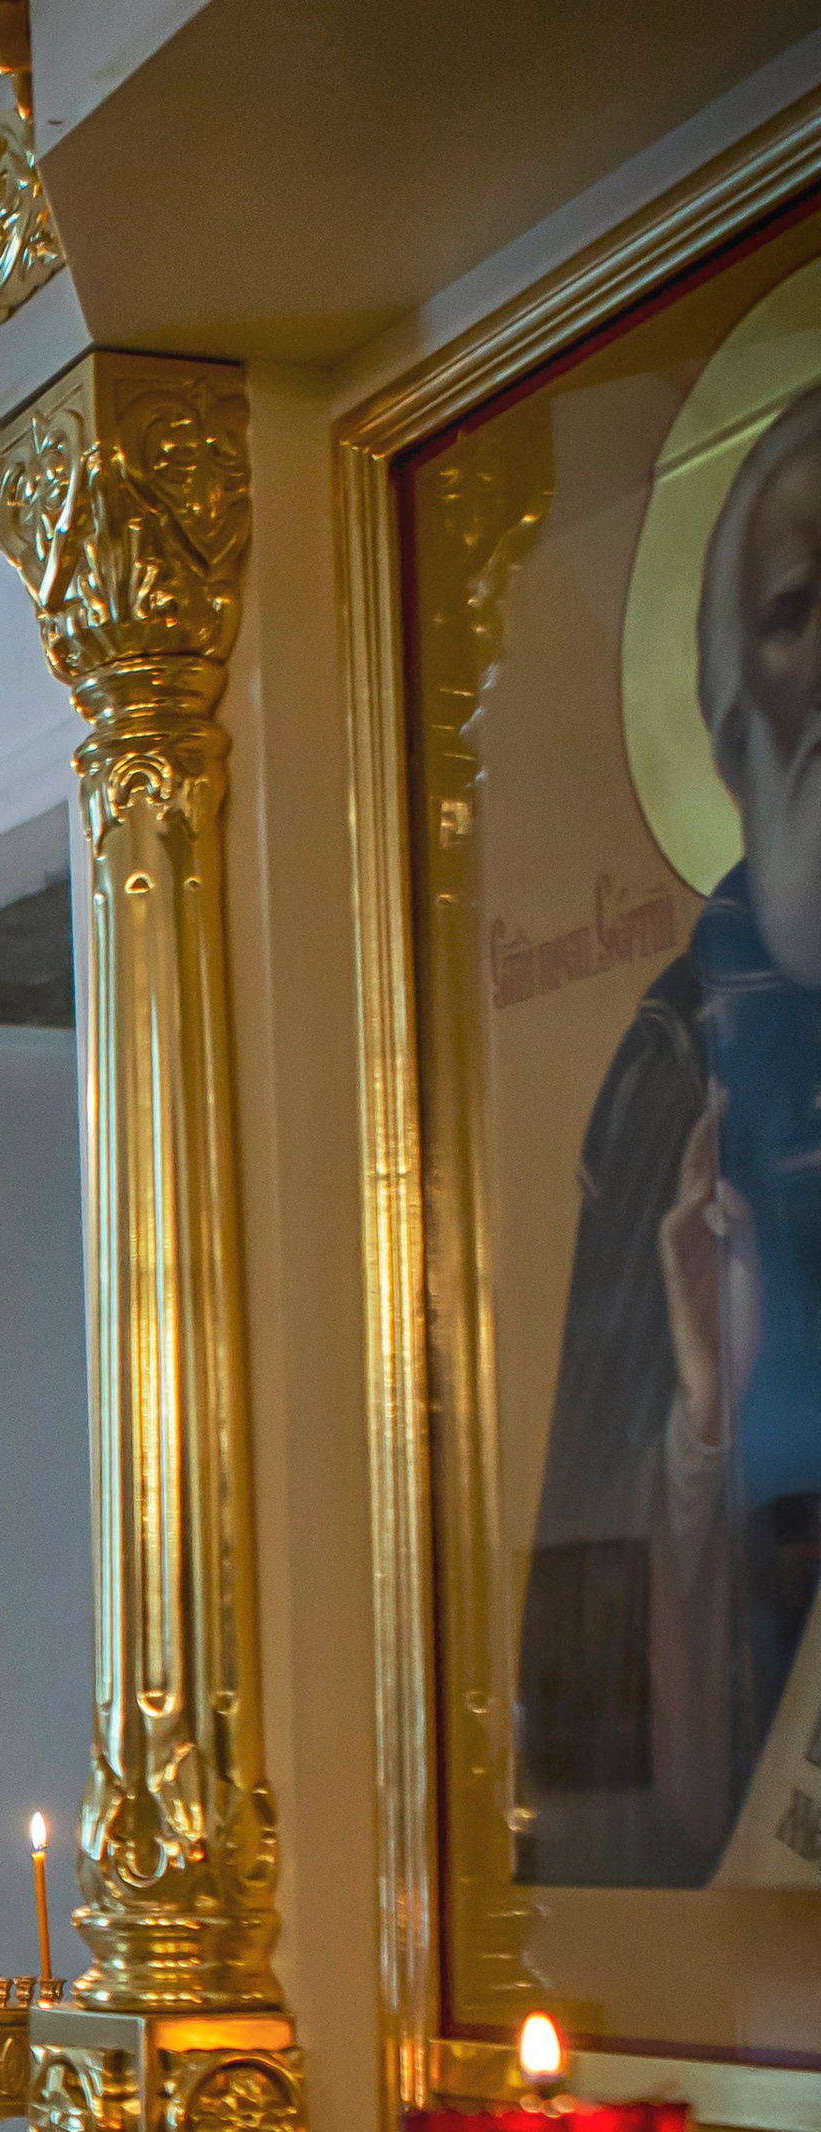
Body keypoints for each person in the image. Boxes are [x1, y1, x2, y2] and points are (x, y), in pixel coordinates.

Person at [523, 377, 821, 1885]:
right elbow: (606, 1712)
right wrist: (704, 1413)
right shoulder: (676, 1070)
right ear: (729, 727)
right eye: (792, 612)